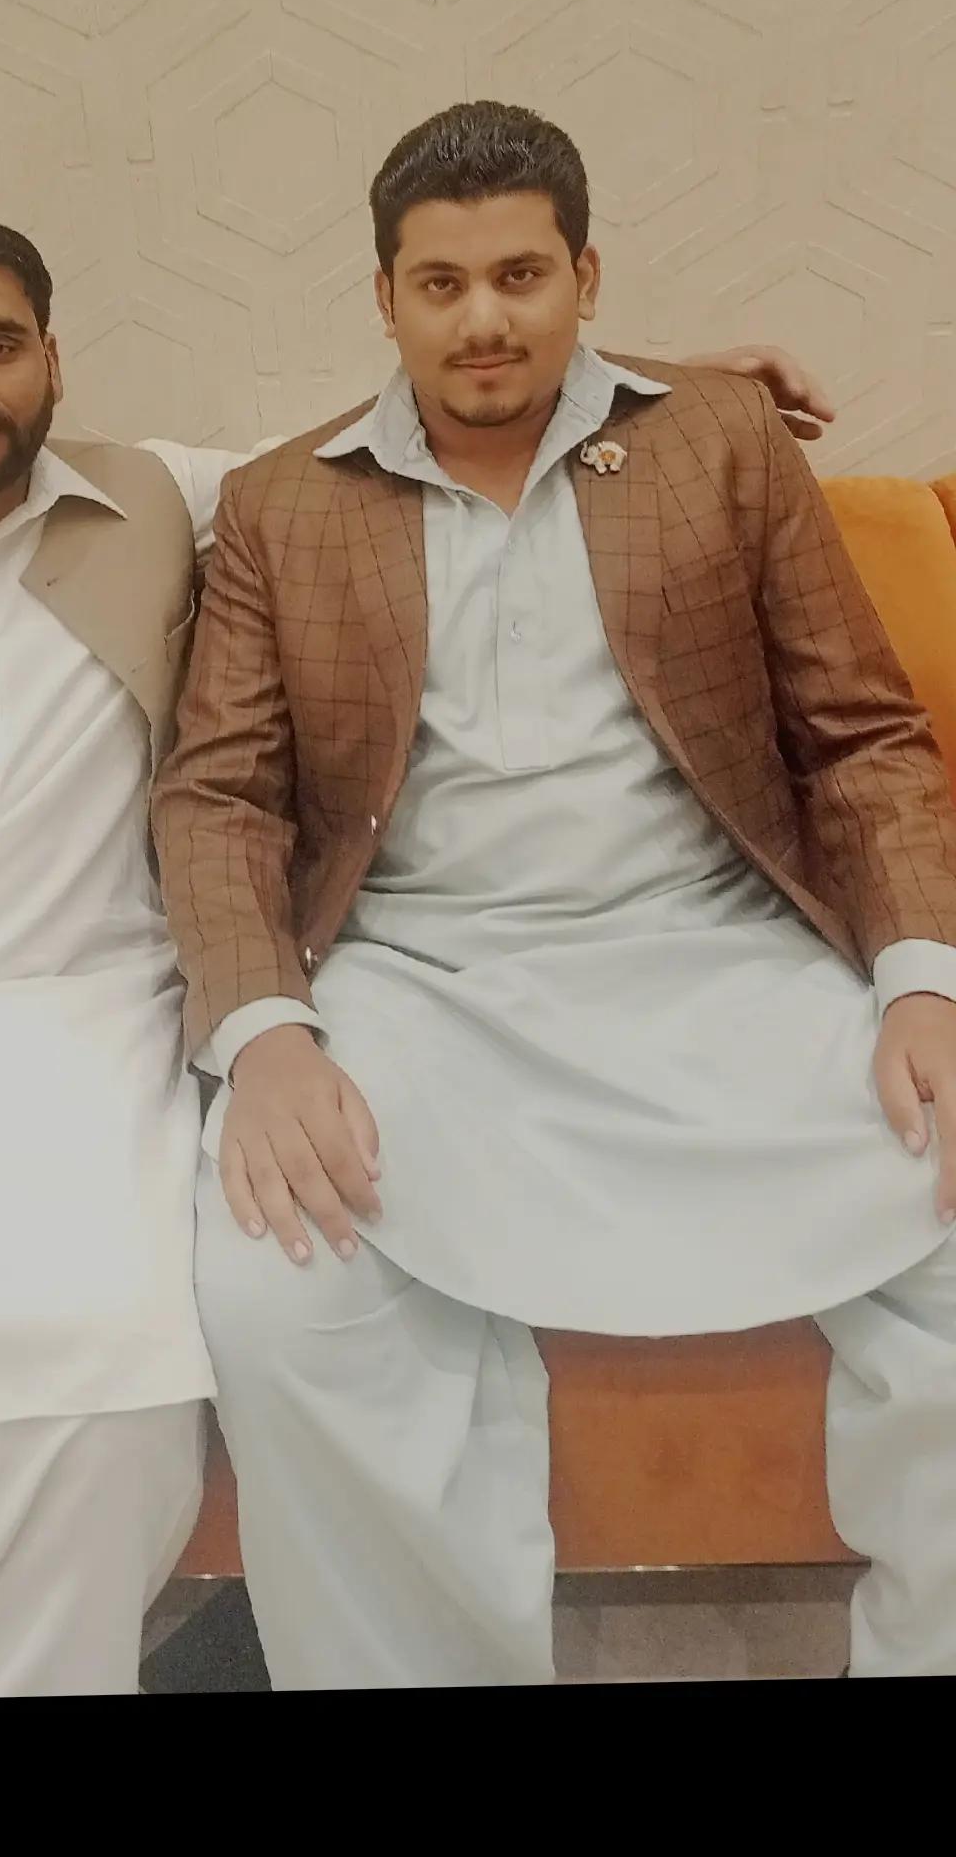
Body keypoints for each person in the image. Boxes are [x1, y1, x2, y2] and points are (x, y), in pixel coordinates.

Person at [0, 198, 828, 1706]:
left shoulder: (166, 502)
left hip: (69, 1035)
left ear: (53, 359)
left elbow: (412, 420)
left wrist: (657, 385)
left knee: (89, 1383)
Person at [152, 101, 956, 1690]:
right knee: (274, 1286)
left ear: (586, 277)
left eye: (522, 276)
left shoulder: (718, 442)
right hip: (420, 986)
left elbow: (861, 737)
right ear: (384, 299)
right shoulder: (282, 504)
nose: (485, 319)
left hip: (721, 962)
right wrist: (266, 1035)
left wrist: (923, 976)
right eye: (441, 285)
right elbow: (219, 798)